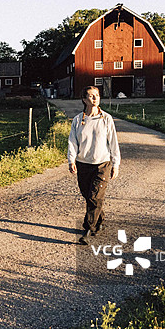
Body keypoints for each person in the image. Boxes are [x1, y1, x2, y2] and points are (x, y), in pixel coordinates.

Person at [67, 86, 121, 245]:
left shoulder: (106, 119)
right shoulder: (78, 120)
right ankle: (99, 221)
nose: (95, 98)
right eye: (91, 96)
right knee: (89, 196)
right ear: (84, 99)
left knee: (94, 196)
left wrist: (115, 164)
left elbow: (113, 143)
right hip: (83, 164)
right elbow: (72, 142)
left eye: (97, 95)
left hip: (102, 164)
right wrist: (71, 160)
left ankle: (88, 229)